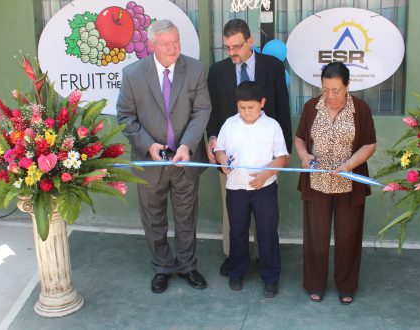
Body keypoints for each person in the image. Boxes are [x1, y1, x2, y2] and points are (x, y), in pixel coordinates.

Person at [117, 20, 211, 294]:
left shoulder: (194, 69)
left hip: (185, 159)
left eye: (176, 42)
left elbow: (202, 110)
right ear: (152, 45)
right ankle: (162, 267)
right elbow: (125, 116)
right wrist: (148, 145)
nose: (173, 48)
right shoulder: (133, 74)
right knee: (153, 217)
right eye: (167, 44)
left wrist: (187, 145)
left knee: (186, 216)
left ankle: (187, 266)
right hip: (150, 162)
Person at [206, 18, 292, 277]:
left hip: (266, 158)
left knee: (265, 216)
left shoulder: (273, 67)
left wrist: (281, 157)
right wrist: (212, 140)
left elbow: (282, 111)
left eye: (236, 47)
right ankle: (234, 257)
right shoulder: (217, 71)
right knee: (234, 215)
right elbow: (213, 111)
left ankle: (263, 258)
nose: (232, 53)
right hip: (231, 156)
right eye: (227, 48)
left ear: (250, 42)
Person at [295, 62, 376, 304]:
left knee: (348, 237)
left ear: (348, 86)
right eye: (325, 89)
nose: (330, 95)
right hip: (317, 183)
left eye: (336, 90)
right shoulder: (311, 107)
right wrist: (304, 156)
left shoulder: (360, 109)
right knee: (315, 237)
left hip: (348, 184)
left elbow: (369, 144)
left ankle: (347, 286)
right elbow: (300, 138)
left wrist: (349, 165)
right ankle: (315, 283)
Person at [214, 81, 288, 298]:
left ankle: (270, 276)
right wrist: (222, 161)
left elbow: (282, 158)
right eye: (242, 107)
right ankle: (236, 271)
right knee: (237, 231)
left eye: (251, 108)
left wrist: (267, 173)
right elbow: (220, 149)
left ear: (262, 103)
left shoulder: (272, 125)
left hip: (265, 188)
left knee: (267, 232)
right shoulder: (229, 124)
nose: (246, 112)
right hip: (236, 188)